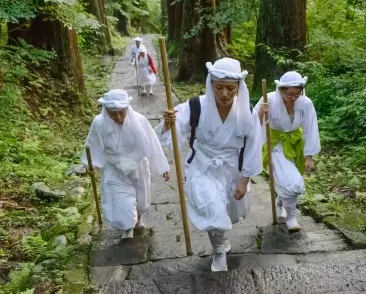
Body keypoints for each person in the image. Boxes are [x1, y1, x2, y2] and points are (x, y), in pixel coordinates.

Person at [156, 58, 262, 272]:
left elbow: (252, 146)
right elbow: (172, 134)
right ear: (210, 84)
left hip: (232, 168)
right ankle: (220, 252)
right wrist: (169, 123)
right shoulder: (195, 106)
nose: (224, 94)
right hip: (202, 168)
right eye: (219, 87)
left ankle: (221, 242)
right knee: (213, 212)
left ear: (238, 88)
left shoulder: (246, 111)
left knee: (229, 214)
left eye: (230, 88)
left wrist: (244, 179)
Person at [82, 89, 170, 239]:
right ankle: (127, 226)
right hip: (114, 167)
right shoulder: (99, 123)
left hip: (137, 166)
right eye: (113, 113)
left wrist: (162, 167)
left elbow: (152, 143)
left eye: (121, 112)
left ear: (127, 108)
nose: (117, 117)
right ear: (106, 110)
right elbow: (93, 145)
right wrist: (92, 164)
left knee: (141, 199)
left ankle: (139, 217)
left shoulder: (140, 120)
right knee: (121, 201)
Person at [255, 71, 320, 232]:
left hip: (295, 143)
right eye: (290, 94)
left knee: (289, 179)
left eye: (298, 94)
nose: (294, 97)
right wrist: (260, 113)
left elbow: (311, 129)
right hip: (274, 144)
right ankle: (292, 218)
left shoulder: (305, 103)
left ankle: (280, 202)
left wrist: (309, 156)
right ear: (281, 90)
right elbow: (252, 124)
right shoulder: (268, 99)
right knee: (292, 182)